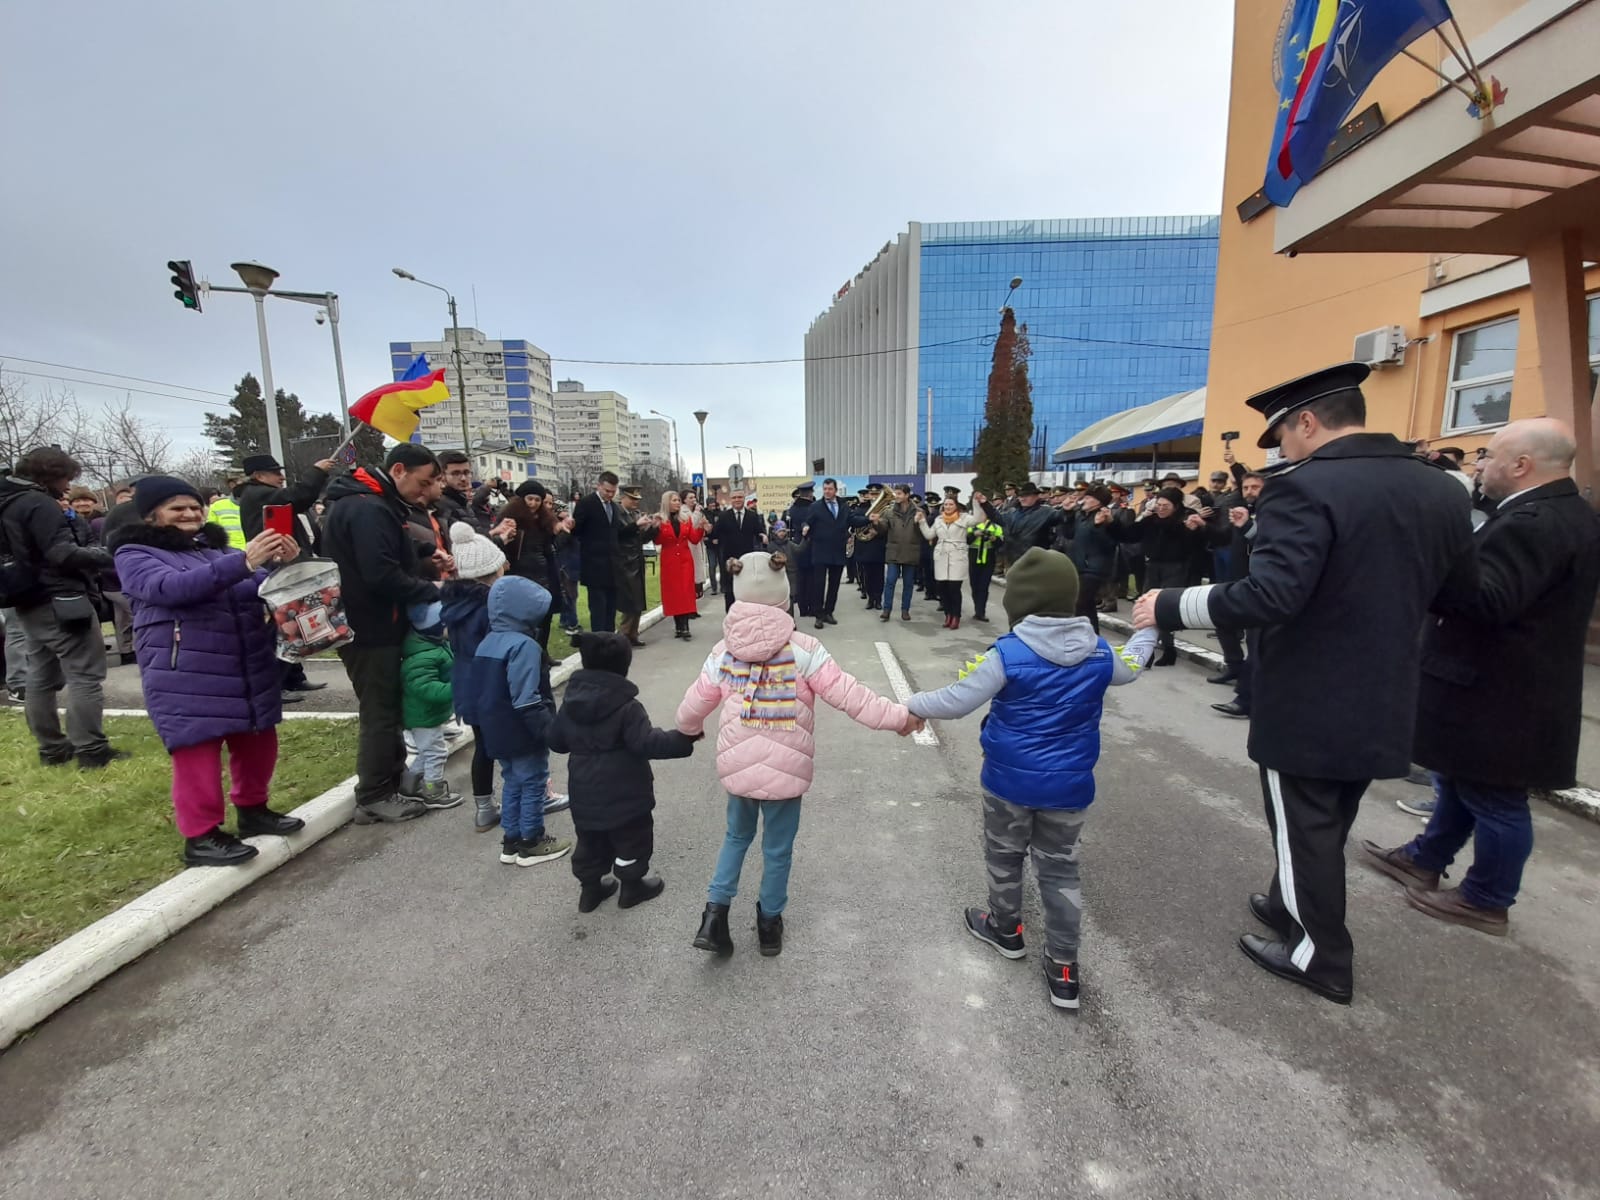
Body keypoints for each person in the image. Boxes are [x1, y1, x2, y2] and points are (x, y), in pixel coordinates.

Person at [1133, 362, 1472, 1005]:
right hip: (1390, 685)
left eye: (1283, 436)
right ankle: (1293, 903)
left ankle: (1320, 956)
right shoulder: (1441, 489)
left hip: (1314, 690)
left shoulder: (1306, 488)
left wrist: (1172, 606)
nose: (1282, 449)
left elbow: (1274, 592)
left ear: (1309, 422)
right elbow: (1456, 594)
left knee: (1302, 818)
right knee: (1328, 813)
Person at [1362, 418, 1600, 935]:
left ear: (1521, 465)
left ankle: (1488, 897)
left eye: (1488, 456)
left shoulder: (1534, 521)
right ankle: (1426, 857)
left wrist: (1434, 560)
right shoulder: (1556, 512)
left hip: (1501, 689)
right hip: (1493, 682)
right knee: (1459, 778)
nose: (1479, 466)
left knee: (1496, 797)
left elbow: (1489, 600)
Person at [905, 548, 1156, 1010]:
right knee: (1061, 867)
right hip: (1070, 788)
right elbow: (1133, 665)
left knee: (1004, 855)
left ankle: (1007, 930)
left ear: (1018, 602)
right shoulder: (1099, 652)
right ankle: (1063, 967)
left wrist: (911, 705)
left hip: (1008, 784)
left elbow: (957, 700)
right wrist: (1149, 627)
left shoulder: (1008, 654)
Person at [676, 550, 913, 957]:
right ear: (783, 593)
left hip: (738, 769)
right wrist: (898, 717)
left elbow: (695, 702)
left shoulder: (723, 652)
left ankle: (714, 916)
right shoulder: (804, 648)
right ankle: (769, 925)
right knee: (777, 848)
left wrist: (688, 730)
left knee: (735, 836)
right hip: (787, 771)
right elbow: (849, 695)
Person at [114, 476, 304, 865]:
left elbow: (257, 586)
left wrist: (282, 566)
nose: (190, 514)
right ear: (152, 515)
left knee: (257, 740)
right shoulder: (134, 553)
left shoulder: (215, 550)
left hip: (245, 664)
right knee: (197, 752)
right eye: (177, 508)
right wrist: (244, 561)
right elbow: (171, 589)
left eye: (195, 507)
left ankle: (254, 810)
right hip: (186, 670)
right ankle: (200, 836)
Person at [321, 443, 447, 824]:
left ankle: (391, 783)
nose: (426, 493)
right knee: (379, 710)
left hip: (379, 622)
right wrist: (434, 590)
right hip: (369, 626)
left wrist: (424, 550)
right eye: (423, 484)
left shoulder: (376, 504)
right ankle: (374, 793)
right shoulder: (366, 507)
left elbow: (388, 545)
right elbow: (380, 573)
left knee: (388, 706)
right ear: (398, 471)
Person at [547, 632, 698, 912]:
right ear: (623, 666)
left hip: (584, 789)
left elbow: (556, 742)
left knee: (590, 839)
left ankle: (590, 890)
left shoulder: (570, 704)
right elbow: (647, 742)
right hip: (627, 791)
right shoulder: (627, 707)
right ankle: (632, 887)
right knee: (632, 838)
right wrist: (683, 739)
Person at [0, 447, 122, 767]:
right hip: (60, 599)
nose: (68, 486)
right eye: (66, 477)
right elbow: (61, 553)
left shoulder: (7, 501)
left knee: (40, 675)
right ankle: (91, 749)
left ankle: (52, 748)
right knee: (85, 675)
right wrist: (112, 555)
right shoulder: (38, 503)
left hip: (24, 599)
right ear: (51, 474)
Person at [472, 575, 572, 867]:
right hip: (523, 728)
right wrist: (548, 730)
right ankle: (532, 840)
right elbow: (526, 697)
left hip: (495, 729)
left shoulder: (487, 643)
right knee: (534, 782)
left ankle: (511, 840)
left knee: (512, 781)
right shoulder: (524, 647)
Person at [440, 521, 511, 834]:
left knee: (483, 746)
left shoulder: (455, 605)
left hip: (467, 686)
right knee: (513, 746)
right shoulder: (491, 608)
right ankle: (524, 799)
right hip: (493, 686)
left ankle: (484, 808)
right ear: (491, 573)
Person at [1210, 472, 1265, 719]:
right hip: (1238, 579)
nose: (1250, 491)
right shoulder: (1241, 511)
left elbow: (1268, 543)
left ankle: (1246, 699)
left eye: (1255, 487)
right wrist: (1204, 528)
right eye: (1246, 487)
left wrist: (1249, 528)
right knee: (1224, 622)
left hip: (1263, 586)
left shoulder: (1273, 513)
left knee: (1257, 643)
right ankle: (1234, 667)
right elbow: (1224, 537)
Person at [398, 600, 462, 811]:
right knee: (436, 753)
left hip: (428, 715)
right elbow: (426, 689)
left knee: (427, 752)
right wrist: (457, 687)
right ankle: (433, 791)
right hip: (422, 717)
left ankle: (411, 785)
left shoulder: (433, 645)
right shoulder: (421, 657)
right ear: (435, 628)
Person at [1134, 488, 1207, 667]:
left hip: (1176, 567)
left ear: (1175, 506)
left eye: (1165, 506)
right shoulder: (1151, 519)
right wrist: (1143, 518)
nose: (1160, 509)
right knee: (1145, 606)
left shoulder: (1186, 519)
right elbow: (1131, 533)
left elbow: (1194, 544)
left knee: (1163, 609)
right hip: (1153, 565)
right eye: (1158, 505)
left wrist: (1191, 529)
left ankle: (1168, 650)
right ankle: (1147, 652)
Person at [801, 478, 866, 629]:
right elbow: (807, 521)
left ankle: (829, 612)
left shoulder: (843, 506)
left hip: (837, 551)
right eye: (825, 489)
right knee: (819, 585)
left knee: (834, 584)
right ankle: (818, 615)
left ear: (835, 490)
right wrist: (805, 527)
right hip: (820, 551)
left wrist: (868, 519)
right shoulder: (815, 506)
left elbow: (853, 520)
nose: (827, 492)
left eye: (830, 489)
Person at [571, 470, 623, 632]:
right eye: (607, 491)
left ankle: (610, 641)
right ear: (598, 486)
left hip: (612, 567)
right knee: (598, 609)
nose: (610, 495)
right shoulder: (587, 503)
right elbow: (576, 531)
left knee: (610, 609)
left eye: (613, 492)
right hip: (594, 567)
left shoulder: (614, 507)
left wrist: (637, 526)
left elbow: (617, 533)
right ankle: (599, 643)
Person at [917, 496, 975, 628]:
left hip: (957, 554)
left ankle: (956, 616)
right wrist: (922, 522)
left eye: (951, 504)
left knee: (954, 588)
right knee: (942, 588)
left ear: (956, 506)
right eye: (946, 504)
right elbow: (929, 535)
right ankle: (948, 614)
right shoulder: (939, 519)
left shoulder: (964, 517)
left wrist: (978, 503)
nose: (948, 507)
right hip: (942, 555)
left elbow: (979, 520)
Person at [652, 490, 703, 640]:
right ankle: (678, 626)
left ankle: (685, 626)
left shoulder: (685, 519)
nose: (677, 503)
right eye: (674, 500)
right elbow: (658, 541)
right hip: (670, 561)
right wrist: (655, 527)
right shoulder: (661, 520)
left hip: (685, 561)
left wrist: (701, 529)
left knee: (686, 592)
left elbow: (693, 539)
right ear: (667, 502)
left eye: (678, 501)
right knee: (674, 593)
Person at [711, 488, 766, 613]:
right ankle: (731, 619)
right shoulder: (724, 516)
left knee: (747, 590)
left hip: (747, 559)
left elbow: (759, 531)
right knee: (730, 591)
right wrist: (709, 531)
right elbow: (715, 533)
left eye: (740, 497)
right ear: (731, 499)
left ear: (744, 498)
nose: (737, 500)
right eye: (734, 497)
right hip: (729, 559)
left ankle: (747, 617)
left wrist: (763, 535)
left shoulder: (752, 516)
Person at [874, 484, 922, 622]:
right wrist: (877, 523)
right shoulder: (889, 512)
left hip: (910, 552)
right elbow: (883, 529)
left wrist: (920, 522)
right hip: (894, 552)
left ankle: (905, 610)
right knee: (890, 581)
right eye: (896, 494)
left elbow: (922, 532)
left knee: (908, 584)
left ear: (907, 495)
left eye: (899, 494)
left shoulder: (918, 511)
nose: (896, 496)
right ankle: (886, 610)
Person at [614, 485, 652, 646]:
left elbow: (642, 539)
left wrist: (652, 528)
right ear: (623, 497)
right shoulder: (617, 514)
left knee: (638, 600)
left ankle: (632, 634)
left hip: (636, 559)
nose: (635, 502)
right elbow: (619, 534)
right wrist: (636, 526)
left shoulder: (635, 514)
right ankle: (623, 635)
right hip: (624, 561)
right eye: (632, 499)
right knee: (629, 601)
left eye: (637, 499)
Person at [965, 498, 1004, 623]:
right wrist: (975, 534)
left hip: (988, 559)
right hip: (974, 559)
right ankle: (977, 607)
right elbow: (966, 540)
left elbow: (1001, 543)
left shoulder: (996, 527)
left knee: (984, 586)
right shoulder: (973, 526)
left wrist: (994, 539)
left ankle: (980, 612)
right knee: (974, 585)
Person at [852, 490, 887, 611]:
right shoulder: (860, 510)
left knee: (879, 575)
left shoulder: (884, 510)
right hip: (865, 547)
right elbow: (854, 523)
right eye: (872, 495)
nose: (874, 497)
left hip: (878, 546)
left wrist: (877, 529)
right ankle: (870, 598)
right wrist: (867, 520)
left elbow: (888, 528)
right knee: (867, 575)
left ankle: (878, 599)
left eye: (876, 494)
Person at [784, 484, 816, 616]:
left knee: (800, 577)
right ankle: (812, 606)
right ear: (810, 493)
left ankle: (803, 608)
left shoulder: (792, 509)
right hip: (812, 545)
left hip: (797, 544)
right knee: (812, 579)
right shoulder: (812, 508)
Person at [206, 478, 247, 550]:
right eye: (234, 482)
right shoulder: (217, 506)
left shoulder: (262, 505)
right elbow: (210, 536)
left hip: (258, 554)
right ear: (231, 485)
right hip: (229, 555)